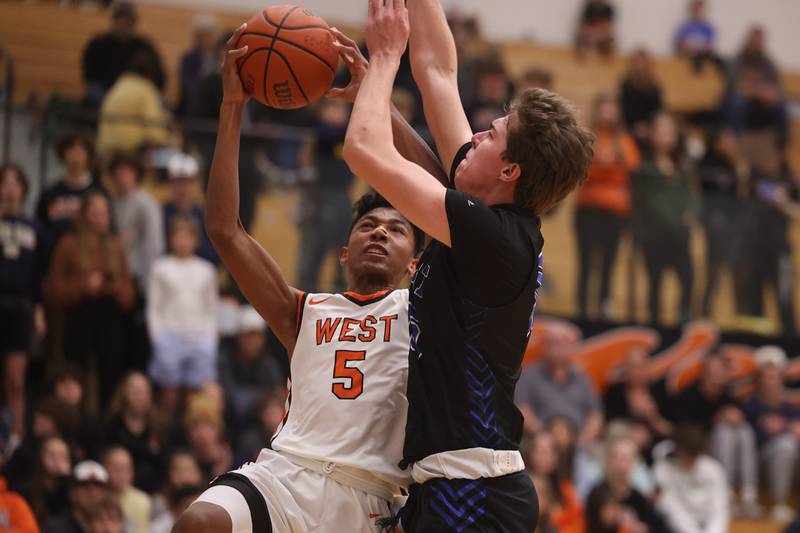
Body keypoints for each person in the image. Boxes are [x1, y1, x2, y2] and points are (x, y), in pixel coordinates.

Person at [174, 20, 443, 533]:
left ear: (417, 263)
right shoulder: (304, 311)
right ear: (344, 252)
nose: (380, 233)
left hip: (371, 496)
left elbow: (447, 195)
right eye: (368, 225)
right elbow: (224, 230)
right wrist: (233, 107)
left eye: (397, 229)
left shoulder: (427, 309)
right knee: (199, 523)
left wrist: (376, 104)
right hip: (282, 474)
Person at [342, 0, 593, 528]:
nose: (477, 133)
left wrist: (384, 59)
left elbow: (363, 149)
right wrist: (379, 91)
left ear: (509, 169)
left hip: (472, 493)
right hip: (453, 487)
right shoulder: (487, 211)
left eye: (493, 133)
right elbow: (436, 70)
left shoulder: (493, 237)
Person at [44, 191, 135, 409]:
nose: (100, 218)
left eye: (104, 213)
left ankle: (106, 423)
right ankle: (73, 417)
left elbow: (129, 295)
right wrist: (82, 286)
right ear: (84, 215)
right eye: (95, 213)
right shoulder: (68, 245)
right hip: (78, 315)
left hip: (109, 316)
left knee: (111, 371)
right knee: (75, 371)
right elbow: (54, 291)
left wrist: (112, 287)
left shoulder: (115, 246)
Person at [669, 352, 759, 518]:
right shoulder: (688, 396)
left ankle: (749, 495)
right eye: (712, 372)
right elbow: (685, 432)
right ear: (703, 373)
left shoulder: (728, 396)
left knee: (744, 430)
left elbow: (748, 418)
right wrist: (716, 420)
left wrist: (736, 416)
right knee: (724, 433)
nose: (715, 376)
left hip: (728, 454)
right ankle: (727, 494)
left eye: (720, 372)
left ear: (726, 375)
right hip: (697, 451)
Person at [147, 215, 218, 420]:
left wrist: (210, 339)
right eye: (178, 236)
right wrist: (157, 337)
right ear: (171, 239)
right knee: (168, 394)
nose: (182, 241)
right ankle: (164, 432)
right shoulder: (161, 267)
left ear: (196, 240)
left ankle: (188, 432)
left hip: (199, 337)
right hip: (169, 336)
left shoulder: (206, 270)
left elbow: (210, 308)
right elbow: (154, 306)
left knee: (194, 394)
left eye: (187, 236)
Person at [575, 93, 639, 320]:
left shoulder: (625, 141)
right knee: (586, 262)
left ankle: (604, 309)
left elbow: (631, 171)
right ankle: (581, 310)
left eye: (612, 108)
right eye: (604, 107)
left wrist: (605, 165)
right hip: (588, 208)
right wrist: (610, 165)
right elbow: (584, 170)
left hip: (616, 211)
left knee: (608, 263)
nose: (608, 113)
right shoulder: (587, 137)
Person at [631, 113, 698, 324]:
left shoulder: (683, 167)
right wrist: (674, 219)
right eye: (661, 131)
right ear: (652, 135)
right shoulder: (644, 166)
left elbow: (693, 197)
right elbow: (649, 202)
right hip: (654, 236)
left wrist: (691, 214)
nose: (666, 136)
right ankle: (655, 324)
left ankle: (683, 319)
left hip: (680, 237)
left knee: (688, 279)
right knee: (655, 283)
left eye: (670, 131)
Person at [0, 164, 46, 441]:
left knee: (16, 380)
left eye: (15, 182)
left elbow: (39, 275)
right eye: (4, 182)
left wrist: (39, 310)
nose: (9, 188)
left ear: (24, 189)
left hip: (20, 307)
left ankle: (16, 439)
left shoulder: (34, 228)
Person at [295, 98, 355, 292]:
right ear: (321, 111)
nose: (337, 113)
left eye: (341, 108)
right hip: (317, 199)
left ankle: (341, 306)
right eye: (332, 107)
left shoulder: (349, 134)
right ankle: (305, 303)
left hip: (343, 199)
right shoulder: (320, 132)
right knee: (310, 258)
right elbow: (325, 132)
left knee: (343, 259)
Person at [517, 328, 605, 449]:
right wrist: (544, 435)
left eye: (560, 343)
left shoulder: (582, 379)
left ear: (571, 347)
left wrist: (583, 440)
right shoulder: (528, 375)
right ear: (543, 346)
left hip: (578, 441)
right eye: (550, 343)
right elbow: (522, 410)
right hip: (540, 440)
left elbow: (596, 415)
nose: (555, 348)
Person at [742, 346, 799, 523]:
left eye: (774, 377)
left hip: (788, 469)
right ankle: (760, 500)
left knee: (788, 444)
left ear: (781, 380)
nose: (769, 382)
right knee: (784, 445)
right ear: (758, 380)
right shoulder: (748, 407)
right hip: (754, 467)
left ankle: (783, 503)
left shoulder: (791, 411)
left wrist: (791, 430)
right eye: (765, 377)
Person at [696, 129, 748, 317]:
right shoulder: (706, 163)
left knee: (739, 275)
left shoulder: (733, 164)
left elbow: (740, 196)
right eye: (726, 138)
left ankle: (741, 317)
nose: (730, 143)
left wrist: (741, 175)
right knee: (713, 276)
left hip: (735, 230)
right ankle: (703, 315)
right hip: (715, 228)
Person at [218, 305, 285, 444]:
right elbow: (233, 400)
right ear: (239, 337)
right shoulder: (226, 359)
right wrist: (261, 399)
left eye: (256, 336)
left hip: (260, 425)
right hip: (230, 421)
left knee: (274, 414)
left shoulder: (268, 363)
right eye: (248, 335)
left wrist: (256, 401)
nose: (252, 341)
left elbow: (277, 395)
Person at [81, 1, 165, 104]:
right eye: (120, 22)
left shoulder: (145, 47)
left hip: (137, 96)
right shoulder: (97, 44)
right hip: (104, 93)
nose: (124, 26)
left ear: (134, 23)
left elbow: (160, 79)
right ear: (114, 22)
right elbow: (89, 76)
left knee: (163, 105)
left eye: (128, 22)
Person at [653, 425, 728, 533]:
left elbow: (720, 507)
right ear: (678, 450)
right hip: (676, 528)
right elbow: (673, 509)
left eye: (695, 455)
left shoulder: (713, 469)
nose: (691, 460)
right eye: (687, 455)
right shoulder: (663, 470)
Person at [96, 49, 171, 157]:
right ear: (152, 74)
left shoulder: (119, 85)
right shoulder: (145, 88)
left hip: (105, 147)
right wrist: (166, 140)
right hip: (129, 151)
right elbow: (154, 128)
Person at [36, 132, 102, 251]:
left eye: (81, 150)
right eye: (71, 149)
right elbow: (40, 229)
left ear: (89, 155)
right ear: (63, 154)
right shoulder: (50, 193)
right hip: (55, 258)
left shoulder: (99, 193)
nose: (76, 155)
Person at [108, 152, 163, 293]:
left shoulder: (145, 203)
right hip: (113, 273)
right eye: (118, 170)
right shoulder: (109, 202)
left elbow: (153, 243)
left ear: (136, 174)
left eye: (127, 171)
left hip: (138, 275)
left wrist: (148, 281)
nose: (122, 175)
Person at [588, 437, 667, 533]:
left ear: (634, 462)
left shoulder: (639, 499)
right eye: (615, 457)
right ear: (609, 460)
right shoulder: (597, 493)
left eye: (624, 458)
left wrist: (635, 526)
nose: (619, 463)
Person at [602, 348, 671, 454]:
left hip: (656, 447)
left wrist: (652, 417)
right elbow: (608, 426)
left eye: (639, 367)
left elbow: (669, 430)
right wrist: (630, 430)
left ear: (648, 368)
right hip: (622, 446)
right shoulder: (614, 391)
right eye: (631, 367)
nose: (635, 372)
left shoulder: (660, 391)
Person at [104, 372, 163, 494]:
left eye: (144, 392)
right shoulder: (110, 428)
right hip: (116, 490)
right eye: (135, 392)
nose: (140, 397)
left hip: (151, 492)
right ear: (124, 394)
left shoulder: (158, 429)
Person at [161, 152, 218, 264]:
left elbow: (216, 255)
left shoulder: (207, 216)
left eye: (188, 182)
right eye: (178, 182)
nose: (183, 188)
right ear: (171, 183)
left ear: (196, 183)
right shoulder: (160, 214)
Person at [526, 430, 585, 533]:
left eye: (551, 451)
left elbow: (578, 521)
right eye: (541, 451)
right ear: (531, 454)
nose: (546, 457)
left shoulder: (565, 488)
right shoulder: (522, 487)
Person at [42, 460, 112, 533]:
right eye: (84, 486)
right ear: (72, 493)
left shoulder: (115, 528)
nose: (92, 493)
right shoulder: (54, 529)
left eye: (98, 486)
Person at [17, 436, 71, 524]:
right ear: (41, 457)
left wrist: (66, 481)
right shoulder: (27, 490)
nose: (57, 461)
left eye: (62, 456)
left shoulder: (72, 491)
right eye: (51, 455)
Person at [619, 49, 663, 146]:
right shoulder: (626, 85)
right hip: (630, 127)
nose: (640, 66)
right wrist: (636, 126)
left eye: (643, 63)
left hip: (650, 127)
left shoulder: (654, 86)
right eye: (637, 63)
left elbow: (657, 110)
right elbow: (624, 109)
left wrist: (648, 126)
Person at [178, 15, 219, 116]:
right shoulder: (189, 58)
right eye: (203, 35)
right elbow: (187, 86)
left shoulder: (219, 57)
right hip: (194, 105)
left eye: (209, 34)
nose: (207, 38)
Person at [102, 446, 150, 533]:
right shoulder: (98, 499)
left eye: (125, 468)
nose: (121, 473)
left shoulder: (143, 501)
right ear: (104, 469)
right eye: (116, 468)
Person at [673, 0, 721, 73]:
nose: (698, 12)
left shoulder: (708, 28)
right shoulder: (685, 27)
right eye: (696, 10)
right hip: (688, 56)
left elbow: (709, 45)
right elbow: (680, 43)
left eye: (700, 10)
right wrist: (691, 49)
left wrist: (698, 50)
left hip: (703, 56)